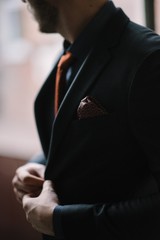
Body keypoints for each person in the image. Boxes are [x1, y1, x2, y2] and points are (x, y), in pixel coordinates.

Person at [12, 0, 160, 239]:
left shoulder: (149, 61)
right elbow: (77, 139)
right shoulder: (70, 56)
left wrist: (60, 221)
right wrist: (38, 165)